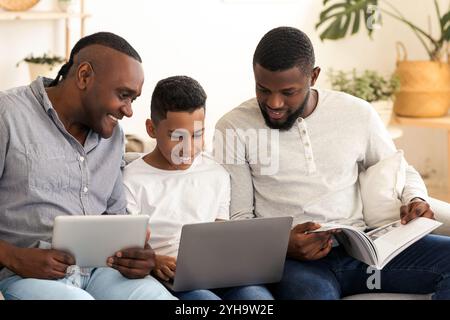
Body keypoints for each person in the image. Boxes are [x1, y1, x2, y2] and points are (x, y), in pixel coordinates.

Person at [214, 26, 450, 299]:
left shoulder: (356, 113)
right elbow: (237, 220)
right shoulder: (233, 127)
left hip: (367, 250)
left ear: (314, 76)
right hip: (296, 262)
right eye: (263, 89)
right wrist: (282, 245)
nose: (274, 103)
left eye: (288, 92)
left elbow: (397, 167)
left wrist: (416, 197)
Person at [0, 32, 175, 300]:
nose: (128, 111)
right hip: (25, 275)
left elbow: (116, 217)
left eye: (133, 100)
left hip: (102, 271)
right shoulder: (8, 115)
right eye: (123, 95)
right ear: (84, 76)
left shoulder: (114, 136)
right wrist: (15, 257)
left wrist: (140, 254)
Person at [123, 75, 274, 300]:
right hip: (168, 276)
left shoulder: (217, 173)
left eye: (197, 135)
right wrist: (154, 260)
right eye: (177, 136)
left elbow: (221, 232)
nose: (189, 148)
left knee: (257, 299)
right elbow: (129, 245)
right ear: (151, 129)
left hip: (217, 272)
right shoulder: (132, 179)